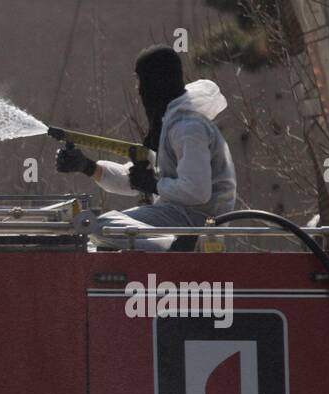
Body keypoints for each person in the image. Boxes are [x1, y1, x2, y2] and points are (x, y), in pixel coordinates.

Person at [55, 45, 236, 250]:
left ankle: (173, 249)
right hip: (177, 217)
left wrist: (153, 185)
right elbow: (132, 179)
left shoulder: (188, 128)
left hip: (192, 223)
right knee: (101, 234)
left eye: (140, 81)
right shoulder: (173, 123)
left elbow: (196, 191)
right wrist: (86, 166)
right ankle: (169, 247)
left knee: (101, 227)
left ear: (155, 82)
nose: (138, 90)